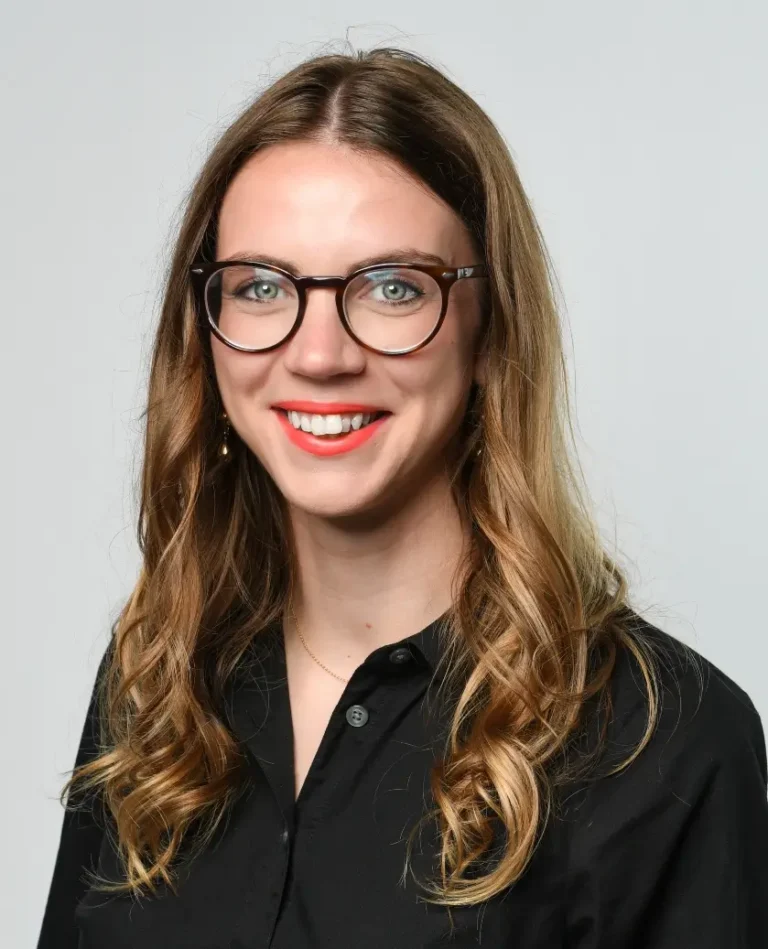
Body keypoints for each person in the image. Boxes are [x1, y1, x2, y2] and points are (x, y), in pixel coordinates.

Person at [37, 47, 768, 948]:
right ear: (206, 331)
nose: (319, 354)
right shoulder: (156, 678)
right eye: (262, 286)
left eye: (391, 287)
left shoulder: (670, 742)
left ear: (490, 326)